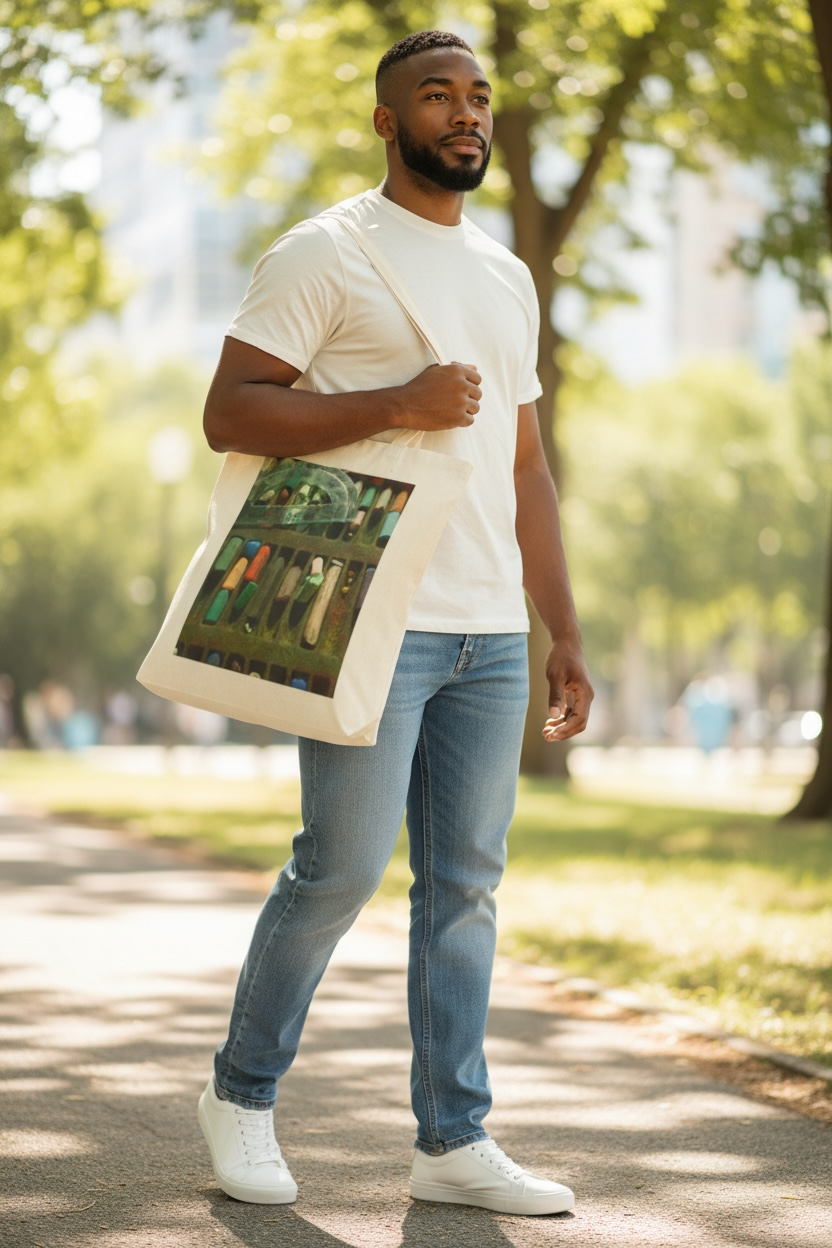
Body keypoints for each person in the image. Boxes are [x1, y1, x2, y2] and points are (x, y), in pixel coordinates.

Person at [197, 29, 593, 1217]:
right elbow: (231, 412)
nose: (465, 113)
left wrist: (561, 630)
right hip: (367, 610)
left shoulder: (507, 274)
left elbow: (524, 467)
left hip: (489, 632)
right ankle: (240, 1094)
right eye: (436, 95)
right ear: (387, 121)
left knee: (464, 889)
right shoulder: (325, 251)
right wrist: (398, 406)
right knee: (340, 870)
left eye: (478, 96)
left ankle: (451, 1140)